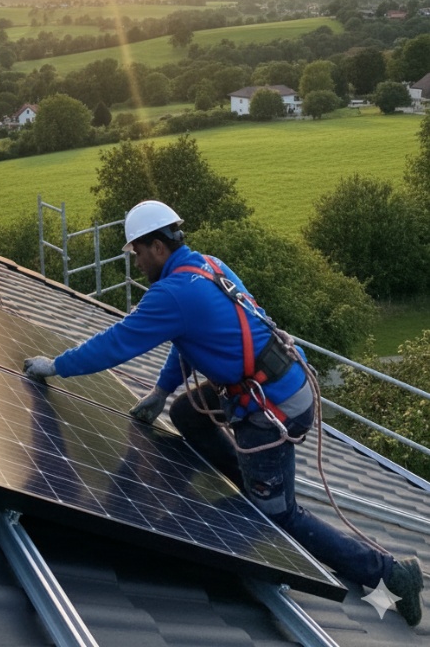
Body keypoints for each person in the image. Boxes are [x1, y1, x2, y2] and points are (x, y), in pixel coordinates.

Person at [23, 199, 424, 626]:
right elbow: (188, 339)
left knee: (281, 516)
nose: (136, 261)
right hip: (276, 381)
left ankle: (392, 574)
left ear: (158, 246)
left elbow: (115, 344)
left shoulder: (173, 292)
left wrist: (58, 366)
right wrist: (161, 391)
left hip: (272, 408)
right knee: (186, 414)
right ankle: (249, 475)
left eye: (137, 251)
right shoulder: (207, 267)